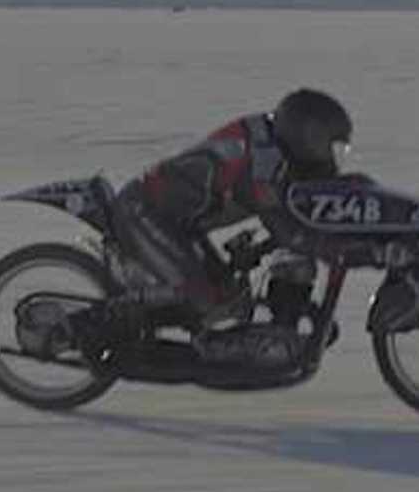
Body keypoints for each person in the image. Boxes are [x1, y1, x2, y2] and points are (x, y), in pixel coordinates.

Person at [69, 89, 359, 361]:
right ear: (307, 137)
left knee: (230, 299)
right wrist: (336, 249)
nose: (331, 158)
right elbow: (281, 226)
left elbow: (301, 205)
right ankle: (100, 320)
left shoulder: (278, 145)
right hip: (146, 212)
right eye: (329, 147)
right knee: (202, 297)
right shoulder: (258, 158)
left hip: (181, 223)